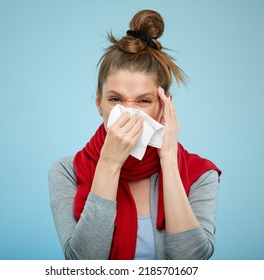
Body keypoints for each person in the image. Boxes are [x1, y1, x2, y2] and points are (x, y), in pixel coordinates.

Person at [48, 9, 221, 260]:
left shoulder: (200, 175)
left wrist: (169, 160)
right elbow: (82, 264)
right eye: (115, 99)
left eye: (144, 100)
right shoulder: (65, 171)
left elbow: (192, 262)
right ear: (99, 104)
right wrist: (109, 164)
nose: (128, 113)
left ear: (164, 106)